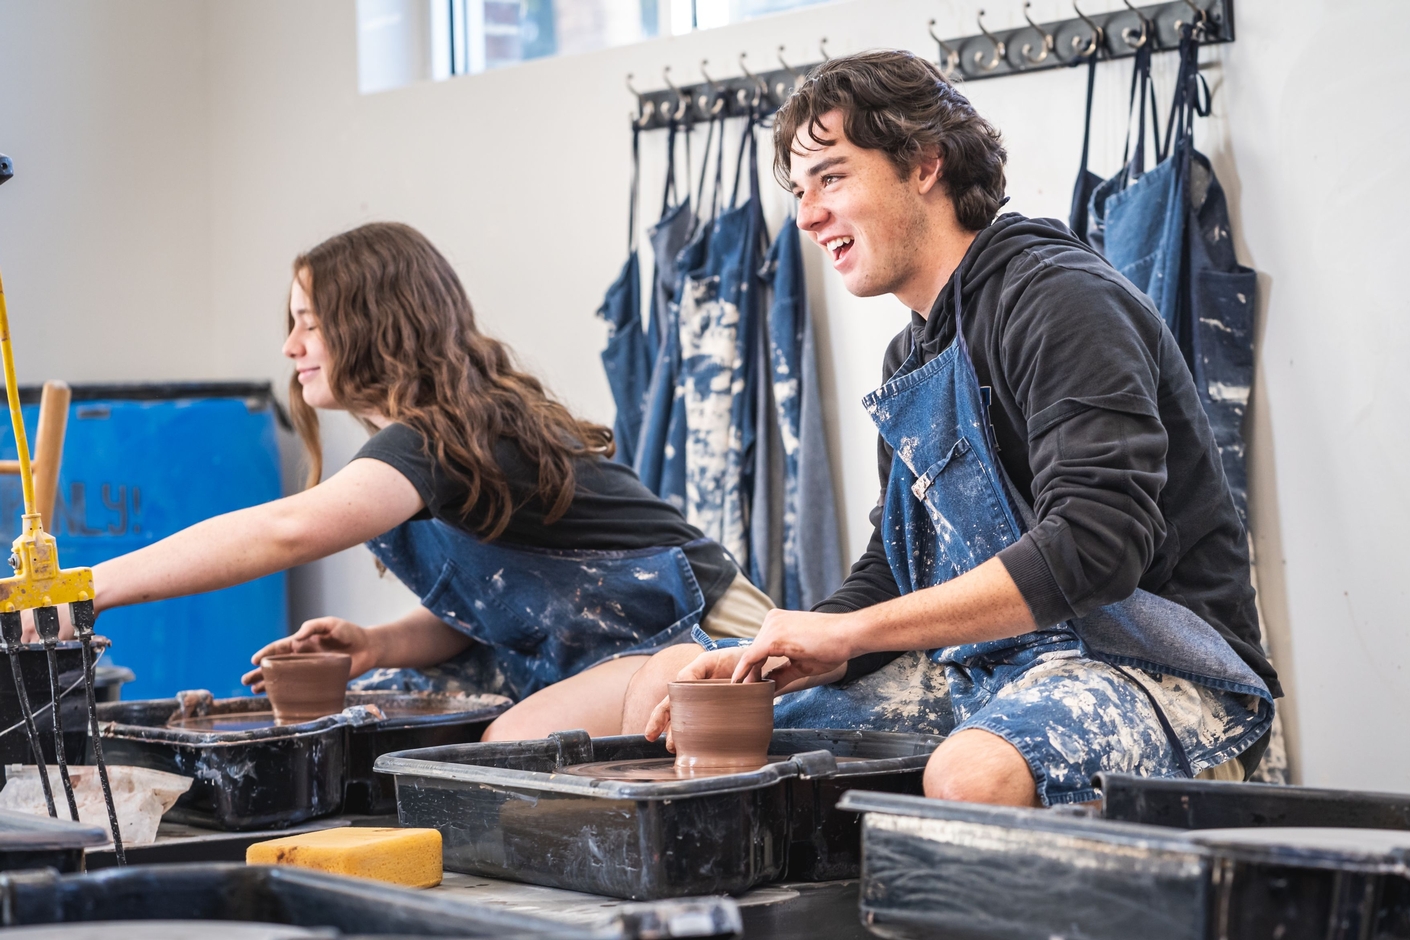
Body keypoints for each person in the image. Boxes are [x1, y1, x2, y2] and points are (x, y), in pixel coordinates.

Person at [623, 50, 1279, 807]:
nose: (806, 215)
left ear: (925, 163)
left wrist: (854, 636)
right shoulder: (916, 350)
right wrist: (779, 654)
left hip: (1161, 664)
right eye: (799, 191)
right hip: (1001, 658)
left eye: (831, 176)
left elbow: (1095, 546)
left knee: (971, 776)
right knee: (751, 737)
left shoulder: (1061, 300)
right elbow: (894, 567)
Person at [63, 222, 772, 740]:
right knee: (381, 704)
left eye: (308, 323)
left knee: (504, 750)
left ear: (373, 326)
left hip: (710, 639)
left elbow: (285, 531)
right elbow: (511, 605)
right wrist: (381, 645)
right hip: (610, 649)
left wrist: (84, 592)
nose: (291, 348)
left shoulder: (445, 435)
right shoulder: (435, 437)